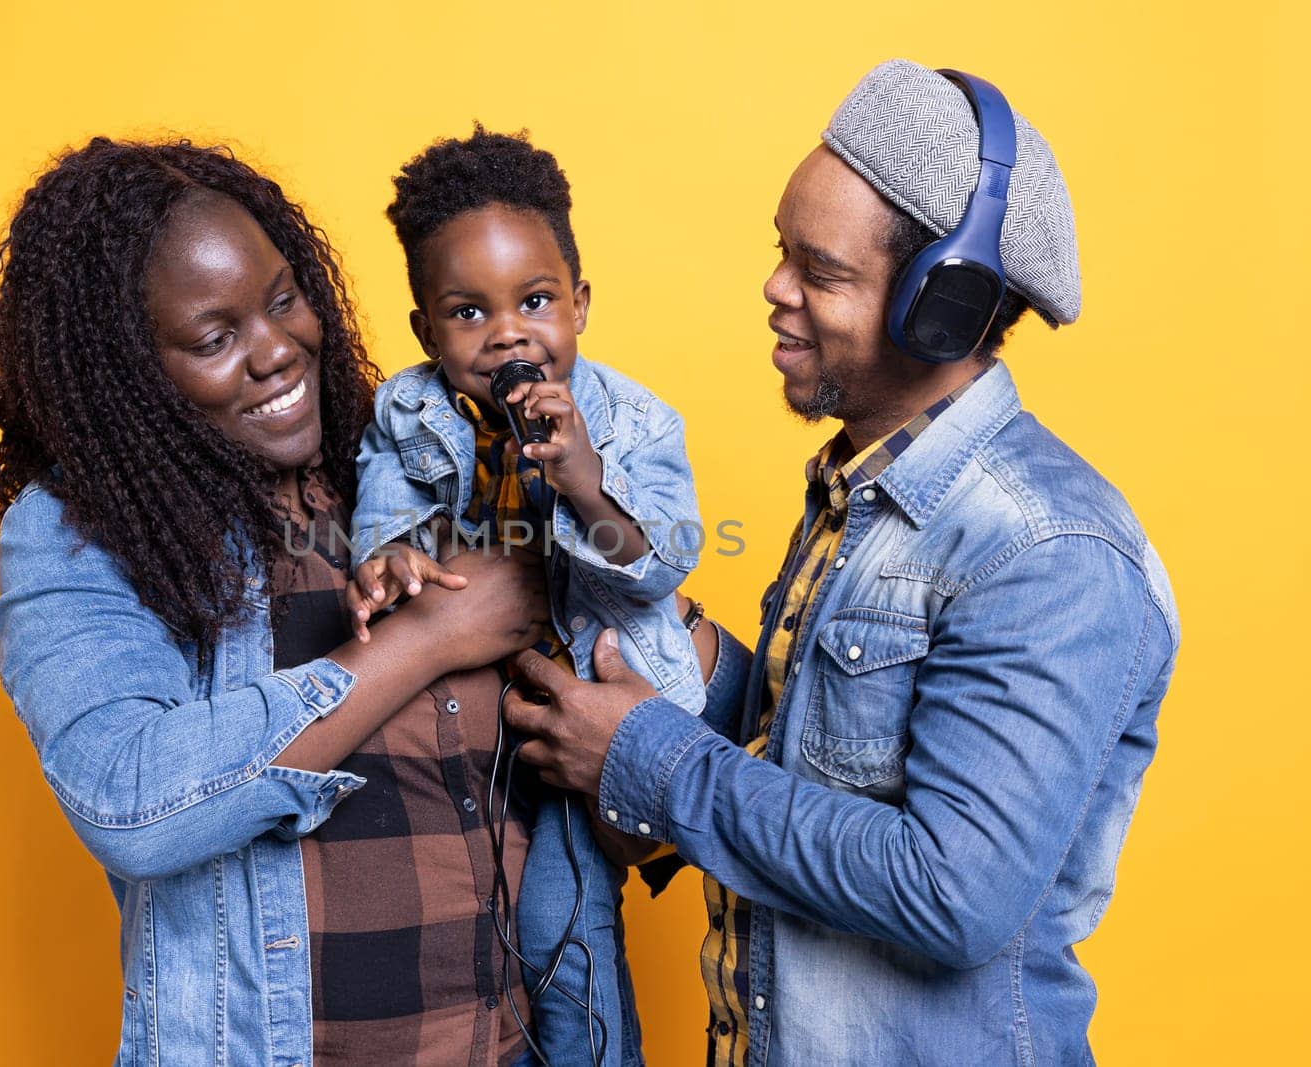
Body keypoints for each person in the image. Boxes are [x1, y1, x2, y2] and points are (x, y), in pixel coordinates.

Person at [501, 59, 1180, 1065]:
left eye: (818, 272)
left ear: (935, 311)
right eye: (783, 252)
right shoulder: (860, 491)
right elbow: (827, 750)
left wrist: (643, 752)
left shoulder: (1046, 551)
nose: (775, 291)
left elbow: (950, 890)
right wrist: (693, 656)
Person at [0, 137, 557, 1066]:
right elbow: (131, 798)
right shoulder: (86, 530)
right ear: (129, 370)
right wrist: (425, 641)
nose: (277, 351)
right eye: (214, 337)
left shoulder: (411, 473)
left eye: (282, 299)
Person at [344, 126, 705, 1066]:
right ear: (426, 330)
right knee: (478, 949)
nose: (507, 332)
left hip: (580, 721)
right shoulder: (408, 407)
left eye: (536, 301)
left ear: (579, 304)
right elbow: (386, 495)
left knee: (564, 941)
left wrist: (584, 480)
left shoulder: (636, 420)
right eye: (468, 312)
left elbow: (661, 558)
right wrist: (391, 554)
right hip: (466, 737)